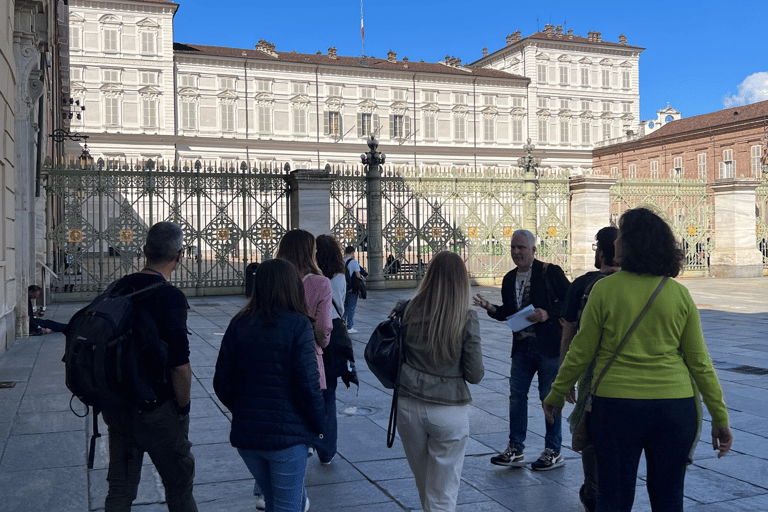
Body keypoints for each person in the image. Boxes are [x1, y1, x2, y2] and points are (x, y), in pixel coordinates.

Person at [544, 207, 733, 512]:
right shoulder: (678, 294)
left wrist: (556, 393)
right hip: (675, 408)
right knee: (669, 499)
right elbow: (699, 363)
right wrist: (720, 418)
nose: (614, 242)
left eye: (620, 235)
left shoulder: (605, 290)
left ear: (634, 243)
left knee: (614, 499)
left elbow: (581, 350)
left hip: (617, 407)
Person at [213, 258, 325, 512]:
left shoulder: (239, 322)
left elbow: (222, 381)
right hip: (287, 439)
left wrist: (245, 409)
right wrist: (320, 426)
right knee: (286, 506)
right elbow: (309, 385)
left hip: (248, 437)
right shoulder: (298, 324)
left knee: (274, 501)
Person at [100, 222, 198, 512]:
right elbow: (179, 365)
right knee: (179, 487)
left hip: (118, 406)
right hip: (158, 408)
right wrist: (183, 408)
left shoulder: (118, 288)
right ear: (180, 255)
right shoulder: (170, 297)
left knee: (120, 489)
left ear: (144, 251)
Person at [473, 229, 570, 471]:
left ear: (533, 249)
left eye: (521, 248)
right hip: (522, 349)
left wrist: (548, 313)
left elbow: (569, 302)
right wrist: (490, 307)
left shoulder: (550, 272)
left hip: (548, 348)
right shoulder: (509, 279)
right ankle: (515, 448)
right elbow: (509, 312)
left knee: (549, 398)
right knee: (517, 398)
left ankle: (553, 450)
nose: (516, 252)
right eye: (513, 248)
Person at [398, 251, 484, 511]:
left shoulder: (407, 309)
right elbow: (475, 374)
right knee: (442, 493)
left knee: (425, 485)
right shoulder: (466, 317)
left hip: (408, 404)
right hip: (448, 409)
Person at [558, 226, 620, 512]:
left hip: (592, 376)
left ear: (602, 251)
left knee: (591, 436)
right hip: (629, 379)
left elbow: (568, 335)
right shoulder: (638, 283)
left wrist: (564, 378)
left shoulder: (583, 285)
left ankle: (593, 493)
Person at [314, 234, 347, 465]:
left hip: (317, 332)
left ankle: (312, 441)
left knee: (312, 390)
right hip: (335, 334)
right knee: (329, 394)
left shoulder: (315, 280)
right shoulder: (340, 277)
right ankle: (327, 450)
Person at [343, 246, 362, 333]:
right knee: (351, 307)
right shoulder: (354, 262)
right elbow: (358, 275)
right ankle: (349, 327)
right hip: (352, 287)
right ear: (352, 253)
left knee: (344, 306)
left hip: (343, 287)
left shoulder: (341, 261)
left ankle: (342, 324)